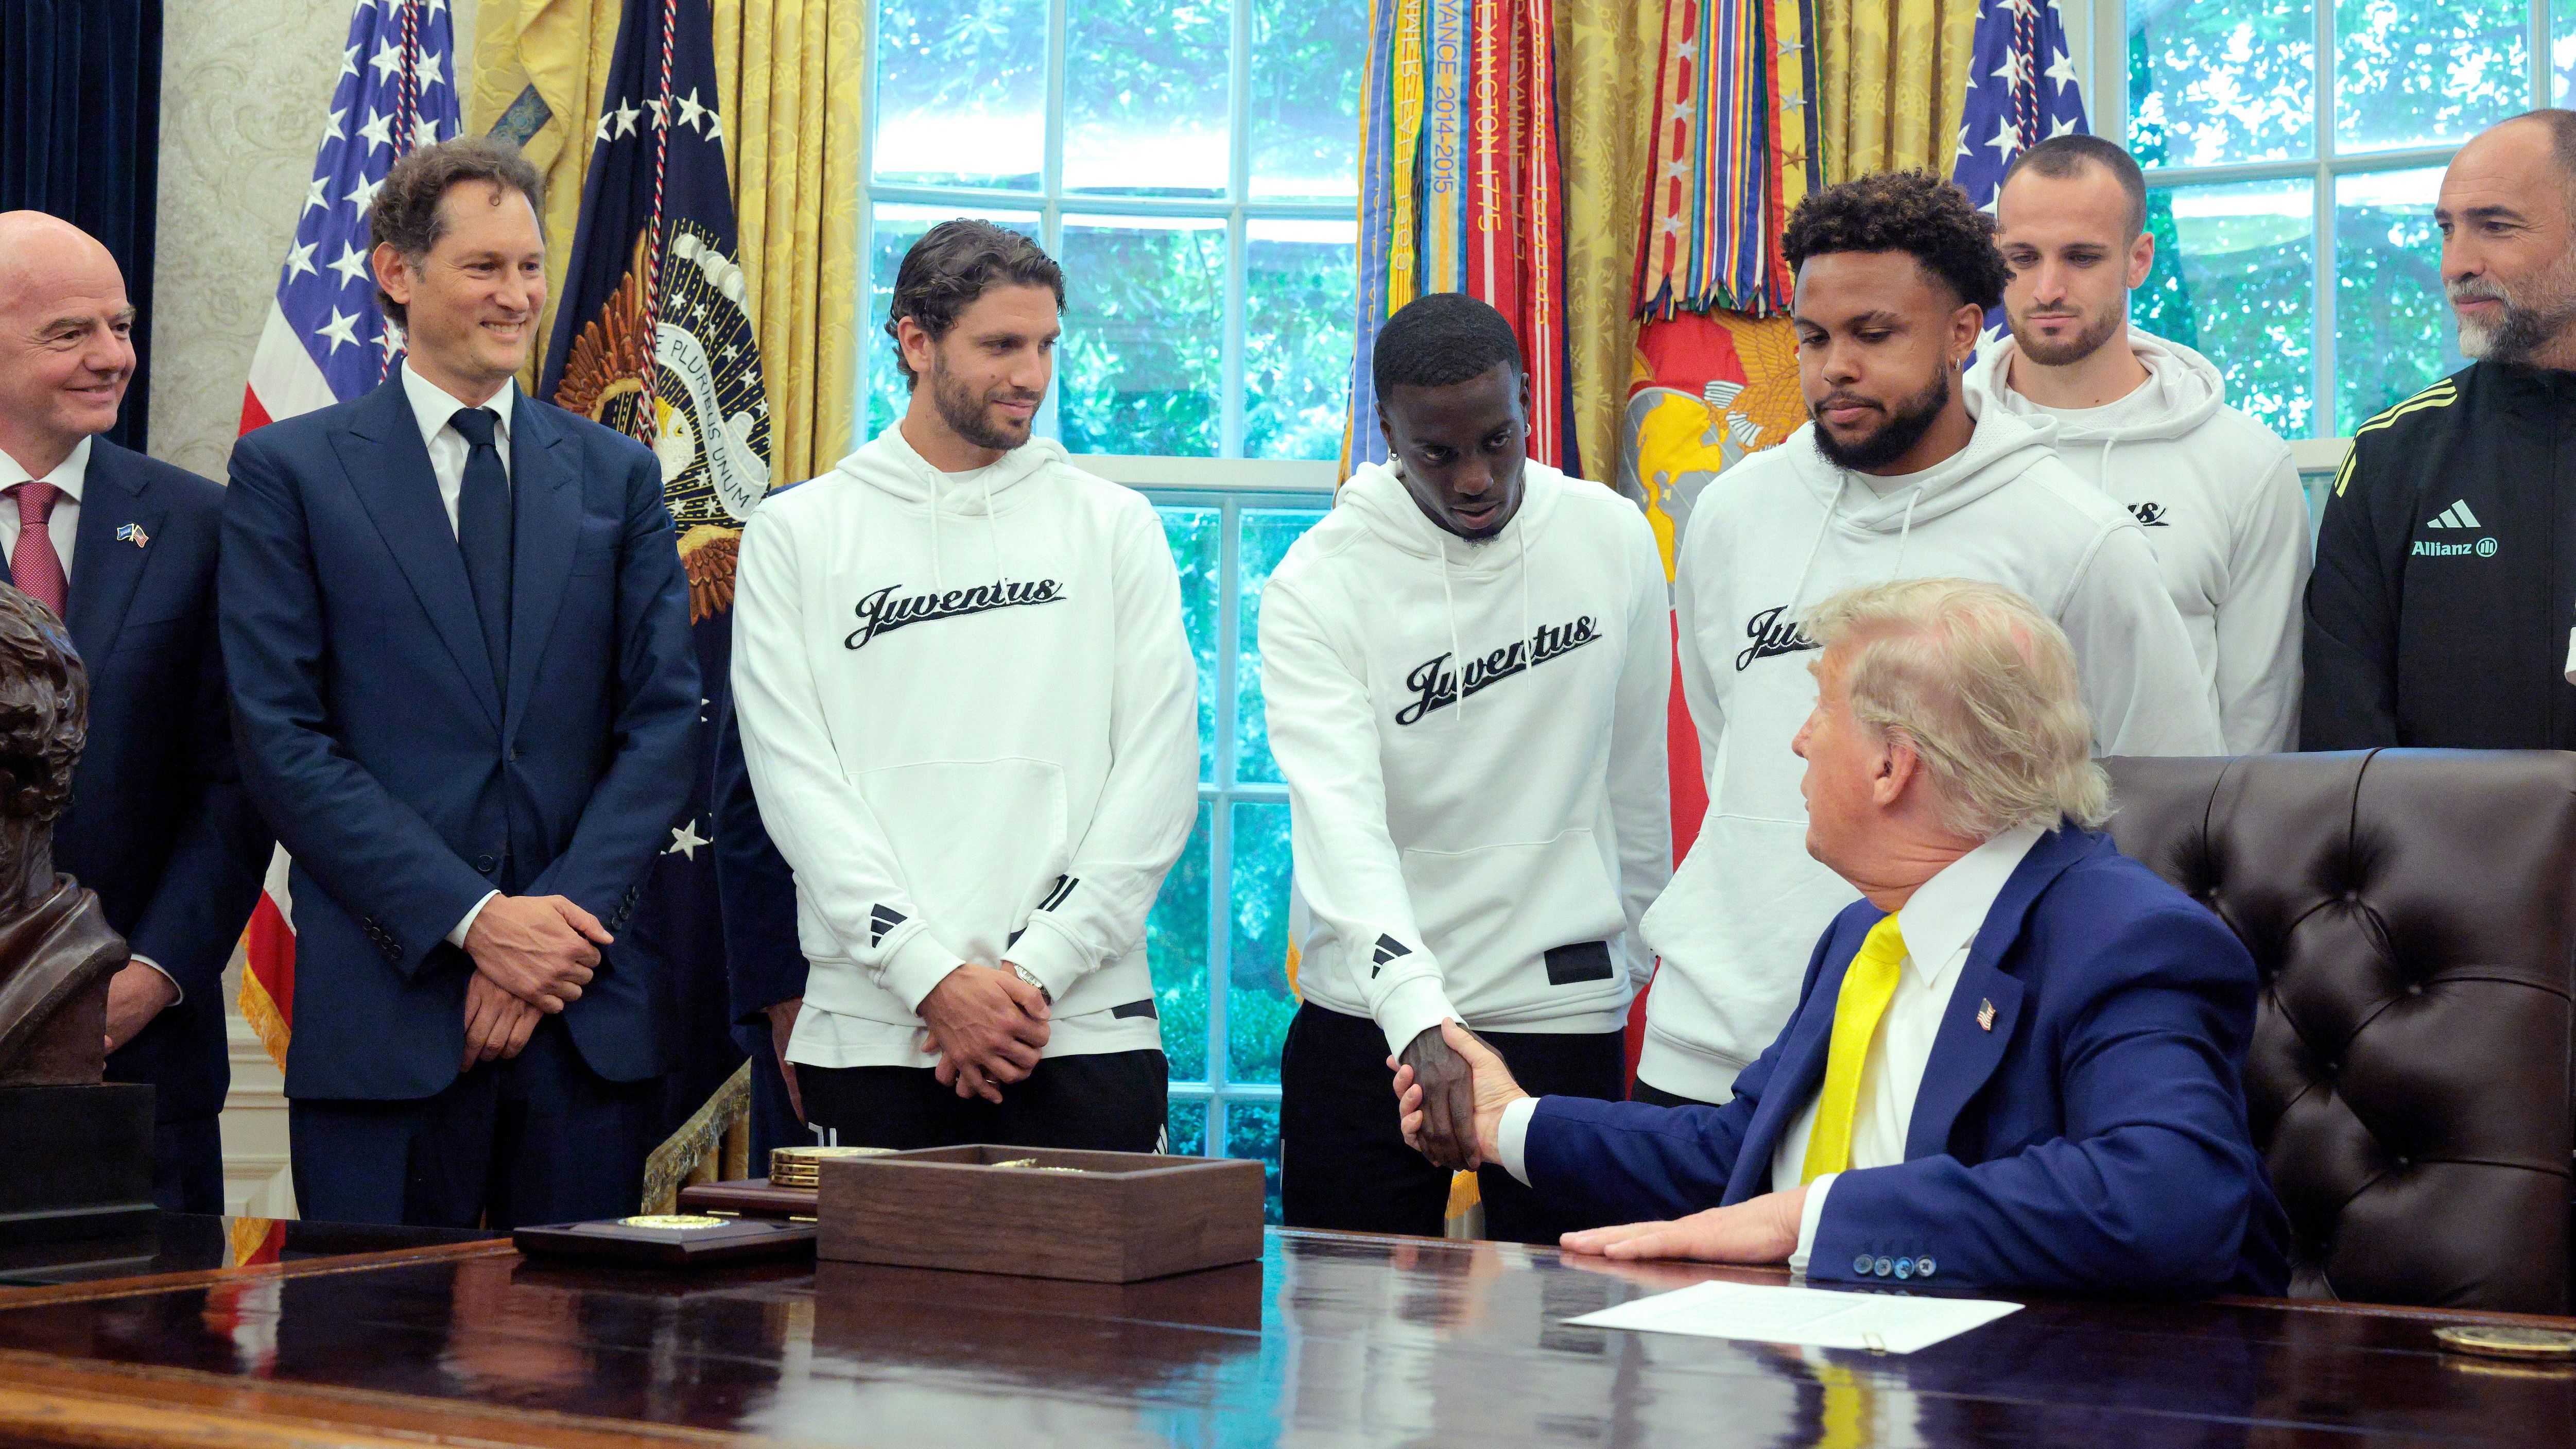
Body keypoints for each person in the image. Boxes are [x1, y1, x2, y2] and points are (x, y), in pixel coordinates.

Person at [1397, 577, 2289, 1295]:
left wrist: (1812, 1218)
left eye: (1819, 708)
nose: (1796, 739)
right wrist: (1503, 1119)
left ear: (1890, 763)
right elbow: (1738, 1158)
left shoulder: (2126, 939)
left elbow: (2169, 1196)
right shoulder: (1863, 933)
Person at [1636, 169, 2221, 1112]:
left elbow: (2161, 796)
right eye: (1815, 337)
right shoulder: (1733, 511)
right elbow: (1729, 736)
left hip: (1947, 1058)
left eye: (1874, 335)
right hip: (1709, 1041)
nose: (1834, 368)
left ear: (1962, 331)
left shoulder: (2073, 538)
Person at [221, 139, 701, 1228]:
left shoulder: (617, 475)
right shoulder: (289, 473)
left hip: (584, 1021)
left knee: (578, 1378)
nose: (519, 295)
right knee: (366, 1378)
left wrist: (548, 936)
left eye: (530, 267)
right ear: (397, 274)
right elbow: (281, 740)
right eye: (485, 267)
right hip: (387, 1025)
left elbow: (665, 723)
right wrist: (476, 922)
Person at [731, 220, 1196, 1152]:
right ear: (914, 342)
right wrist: (932, 977)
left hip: (1081, 1026)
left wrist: (1029, 977)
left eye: (1044, 345)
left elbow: (1158, 775)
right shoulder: (797, 534)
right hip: (873, 1032)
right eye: (999, 345)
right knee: (870, 1306)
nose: (1030, 373)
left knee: (1103, 1306)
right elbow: (796, 787)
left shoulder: (1115, 527)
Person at [1263, 293, 1672, 1244]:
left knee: (1570, 1348)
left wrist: (1631, 958)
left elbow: (1634, 777)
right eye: (1436, 453)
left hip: (1558, 1012)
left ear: (1527, 400)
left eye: (1497, 439)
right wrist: (1415, 1017)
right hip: (1368, 1023)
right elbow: (1340, 822)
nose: (1476, 477)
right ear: (1387, 434)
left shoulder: (1611, 538)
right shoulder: (1317, 583)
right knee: (1340, 1342)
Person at [0, 213, 269, 1211]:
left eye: (120, 326)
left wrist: (155, 972)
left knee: (145, 1358)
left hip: (142, 1060)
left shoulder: (203, 525)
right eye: (71, 333)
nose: (114, 357)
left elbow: (237, 784)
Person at [1966, 135, 2310, 754]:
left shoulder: (2243, 462)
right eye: (2021, 257)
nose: (2046, 289)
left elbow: (2260, 721)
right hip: (1969, 842)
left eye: (2080, 258)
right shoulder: (1946, 447)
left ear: (2138, 259)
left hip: (2169, 844)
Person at [2306, 108, 2576, 749]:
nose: (2454, 264)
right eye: (2446, 230)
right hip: (2442, 848)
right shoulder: (2390, 455)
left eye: (2494, 227)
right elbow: (2343, 740)